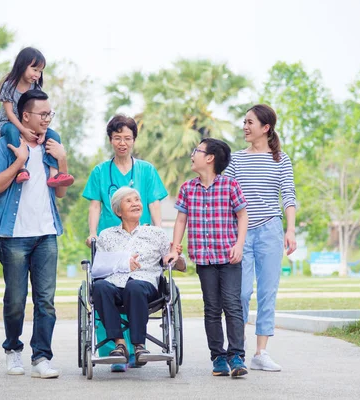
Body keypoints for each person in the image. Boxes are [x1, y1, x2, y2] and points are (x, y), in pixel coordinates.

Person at [0, 89, 71, 378]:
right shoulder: (2, 146)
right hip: (15, 237)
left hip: (46, 234)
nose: (47, 119)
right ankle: (12, 350)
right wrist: (19, 161)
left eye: (50, 114)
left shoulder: (52, 144)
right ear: (25, 116)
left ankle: (41, 358)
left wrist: (62, 160)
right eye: (42, 114)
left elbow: (60, 191)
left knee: (46, 300)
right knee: (15, 300)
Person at [82, 114, 168, 372]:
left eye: (127, 138)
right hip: (112, 239)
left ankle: (135, 350)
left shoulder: (146, 170)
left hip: (140, 238)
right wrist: (93, 233)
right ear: (110, 140)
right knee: (106, 284)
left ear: (133, 140)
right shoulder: (100, 171)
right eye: (117, 138)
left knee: (135, 285)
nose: (123, 143)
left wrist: (157, 234)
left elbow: (154, 202)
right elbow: (95, 204)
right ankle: (115, 352)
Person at [166, 138, 249, 378]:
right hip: (204, 259)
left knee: (232, 306)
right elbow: (181, 220)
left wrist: (239, 244)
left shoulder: (230, 185)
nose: (192, 155)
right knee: (212, 308)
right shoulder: (188, 188)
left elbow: (243, 216)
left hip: (229, 257)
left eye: (197, 151)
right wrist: (175, 248)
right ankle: (218, 357)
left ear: (210, 157)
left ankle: (236, 356)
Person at [224, 104, 297, 372]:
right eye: (244, 122)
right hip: (240, 233)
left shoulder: (281, 159)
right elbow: (226, 195)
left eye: (250, 122)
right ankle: (237, 349)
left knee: (267, 292)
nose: (245, 127)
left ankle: (261, 352)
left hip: (270, 231)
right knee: (240, 293)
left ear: (265, 128)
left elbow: (288, 195)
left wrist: (290, 229)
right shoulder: (236, 159)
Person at [93, 187, 186, 366]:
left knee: (134, 286)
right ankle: (120, 345)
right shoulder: (106, 235)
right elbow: (98, 268)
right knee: (99, 286)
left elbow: (180, 265)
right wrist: (122, 263)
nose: (135, 203)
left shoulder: (155, 233)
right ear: (118, 211)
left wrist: (174, 257)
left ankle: (139, 345)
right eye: (129, 201)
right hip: (113, 286)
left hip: (146, 286)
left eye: (137, 199)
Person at [0, 46, 74, 187]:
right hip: (8, 123)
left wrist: (42, 132)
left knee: (54, 136)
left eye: (40, 71)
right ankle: (21, 169)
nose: (37, 74)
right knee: (12, 130)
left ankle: (54, 174)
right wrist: (23, 130)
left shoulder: (35, 88)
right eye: (34, 69)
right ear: (22, 65)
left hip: (30, 124)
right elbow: (9, 113)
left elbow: (41, 113)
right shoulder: (9, 86)